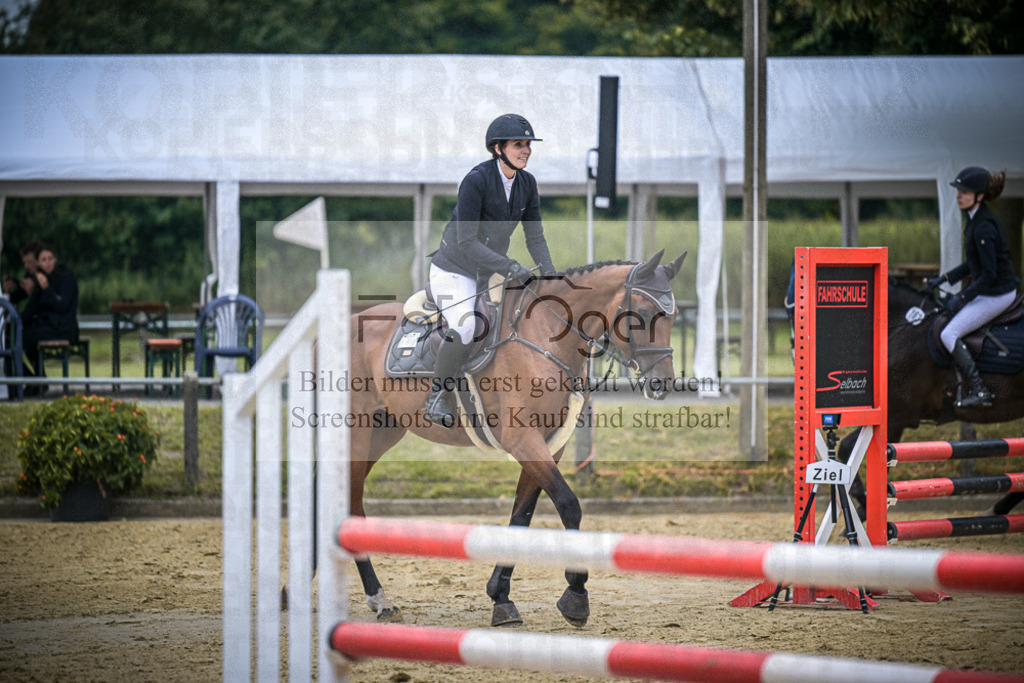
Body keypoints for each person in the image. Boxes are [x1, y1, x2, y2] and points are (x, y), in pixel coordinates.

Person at [423, 113, 557, 427]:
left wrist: (552, 277)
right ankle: (436, 396)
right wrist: (510, 266)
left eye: (527, 145)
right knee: (467, 326)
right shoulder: (476, 180)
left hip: (489, 271)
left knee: (520, 320)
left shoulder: (527, 183)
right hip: (454, 269)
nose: (525, 150)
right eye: (518, 145)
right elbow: (467, 241)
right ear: (497, 148)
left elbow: (534, 236)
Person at [927, 167, 1019, 409]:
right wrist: (945, 278)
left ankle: (980, 391)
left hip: (998, 294)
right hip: (992, 289)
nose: (958, 195)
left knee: (949, 333)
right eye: (958, 191)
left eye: (964, 192)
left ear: (979, 196)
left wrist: (963, 297)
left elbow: (988, 275)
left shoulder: (984, 226)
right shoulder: (976, 219)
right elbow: (973, 263)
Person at [21, 244, 80, 390]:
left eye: (50, 259)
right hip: (47, 327)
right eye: (43, 260)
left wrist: (46, 288)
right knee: (13, 338)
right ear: (38, 263)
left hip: (64, 329)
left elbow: (62, 306)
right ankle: (35, 380)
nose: (47, 263)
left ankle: (36, 382)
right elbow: (30, 311)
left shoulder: (66, 277)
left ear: (55, 259)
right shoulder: (39, 280)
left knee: (25, 338)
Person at [2, 239, 45, 308]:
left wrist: (35, 289)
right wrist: (6, 291)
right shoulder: (30, 275)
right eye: (25, 262)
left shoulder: (53, 275)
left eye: (30, 262)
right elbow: (15, 297)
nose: (26, 266)